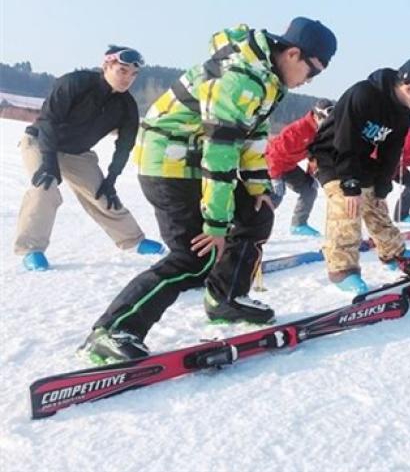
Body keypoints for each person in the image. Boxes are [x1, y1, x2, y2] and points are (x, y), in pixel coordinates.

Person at [79, 18, 338, 363]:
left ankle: (225, 298)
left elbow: (252, 138)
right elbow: (221, 150)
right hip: (168, 165)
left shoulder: (267, 80)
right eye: (313, 71)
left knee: (257, 214)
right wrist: (215, 224)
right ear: (293, 54)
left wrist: (258, 187)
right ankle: (112, 330)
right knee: (195, 255)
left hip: (196, 160)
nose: (310, 80)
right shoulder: (241, 77)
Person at [13, 46, 164, 271]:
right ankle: (31, 249)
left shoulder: (127, 106)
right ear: (106, 66)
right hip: (41, 142)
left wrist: (112, 178)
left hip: (78, 153)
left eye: (133, 74)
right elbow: (48, 121)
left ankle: (133, 241)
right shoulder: (75, 83)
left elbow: (124, 146)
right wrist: (48, 162)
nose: (127, 79)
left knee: (103, 195)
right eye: (122, 71)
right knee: (45, 186)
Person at [309, 58, 410, 293]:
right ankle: (342, 270)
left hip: (360, 158)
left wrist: (382, 186)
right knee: (347, 206)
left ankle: (393, 253)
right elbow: (345, 140)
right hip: (332, 155)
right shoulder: (363, 94)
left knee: (376, 202)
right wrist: (350, 186)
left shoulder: (403, 111)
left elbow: (390, 151)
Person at [267, 98, 335, 236]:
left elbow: (314, 155)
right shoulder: (296, 130)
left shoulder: (321, 132)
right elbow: (274, 153)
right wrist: (274, 177)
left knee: (309, 188)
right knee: (276, 196)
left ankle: (299, 225)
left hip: (288, 166)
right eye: (324, 120)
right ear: (316, 116)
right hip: (269, 163)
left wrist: (312, 174)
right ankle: (253, 226)